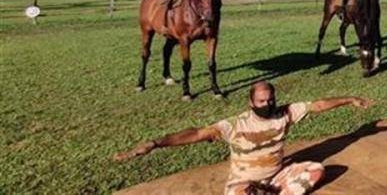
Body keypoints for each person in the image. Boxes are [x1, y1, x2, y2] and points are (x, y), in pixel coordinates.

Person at [114, 81, 372, 195]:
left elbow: (317, 105)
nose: (267, 104)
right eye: (261, 101)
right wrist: (156, 143)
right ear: (251, 102)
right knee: (243, 193)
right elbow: (196, 133)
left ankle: (272, 193)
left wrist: (349, 99)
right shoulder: (234, 125)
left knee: (317, 170)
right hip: (243, 182)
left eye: (270, 99)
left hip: (276, 176)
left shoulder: (285, 114)